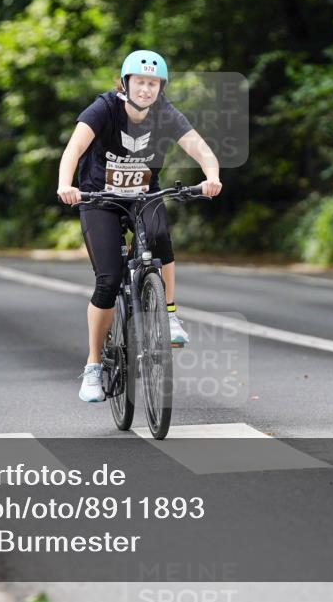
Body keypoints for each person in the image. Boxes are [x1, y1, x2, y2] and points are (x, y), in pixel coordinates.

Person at [56, 50, 222, 403]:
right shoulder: (104, 109)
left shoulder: (165, 113)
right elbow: (74, 148)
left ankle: (170, 315)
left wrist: (212, 175)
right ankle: (93, 365)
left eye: (153, 84)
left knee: (160, 239)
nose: (146, 89)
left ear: (160, 88)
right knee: (108, 279)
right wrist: (65, 184)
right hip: (98, 198)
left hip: (142, 196)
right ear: (125, 83)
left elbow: (199, 147)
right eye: (140, 82)